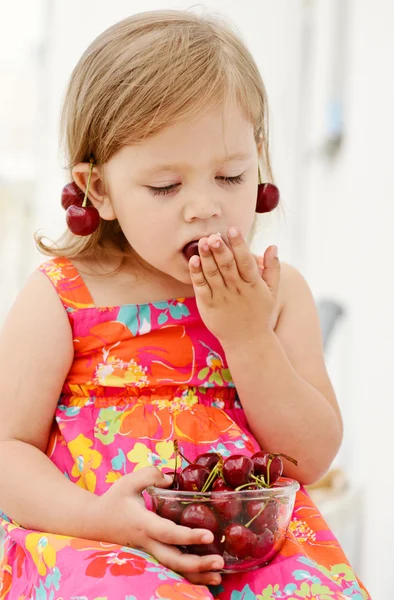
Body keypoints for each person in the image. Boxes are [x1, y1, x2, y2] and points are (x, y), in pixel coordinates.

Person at [0, 9, 369, 600]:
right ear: (99, 190)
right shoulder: (62, 296)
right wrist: (102, 521)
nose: (204, 207)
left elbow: (308, 459)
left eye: (231, 175)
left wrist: (249, 337)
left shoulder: (275, 294)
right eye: (166, 187)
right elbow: (7, 451)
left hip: (252, 544)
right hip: (99, 544)